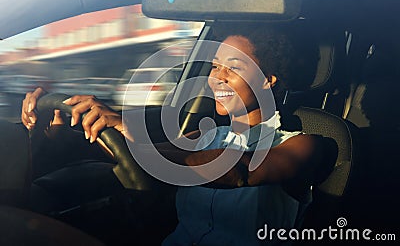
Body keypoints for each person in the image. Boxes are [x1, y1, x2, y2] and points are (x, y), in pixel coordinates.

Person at [21, 24, 322, 245]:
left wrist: (129, 131)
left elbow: (238, 170)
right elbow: (132, 153)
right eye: (215, 66)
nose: (217, 77)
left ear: (267, 80)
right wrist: (59, 128)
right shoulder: (205, 136)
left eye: (233, 67)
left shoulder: (300, 144)